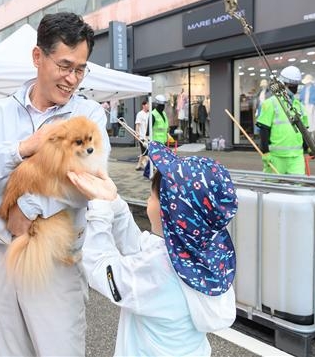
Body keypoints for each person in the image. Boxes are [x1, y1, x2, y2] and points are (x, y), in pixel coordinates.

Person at [0, 12, 111, 356]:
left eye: (80, 69)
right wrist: (21, 149)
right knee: (10, 349)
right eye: (65, 65)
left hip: (54, 262)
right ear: (38, 57)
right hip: (4, 258)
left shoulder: (89, 116)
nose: (72, 78)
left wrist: (27, 209)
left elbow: (88, 179)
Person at [68, 141, 237, 356]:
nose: (149, 197)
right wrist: (114, 202)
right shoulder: (201, 255)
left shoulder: (159, 271)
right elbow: (139, 247)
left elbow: (100, 268)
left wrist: (99, 207)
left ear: (170, 211)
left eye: (154, 195)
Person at [256, 65, 309, 175]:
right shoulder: (270, 103)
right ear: (283, 84)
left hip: (296, 157)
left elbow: (304, 131)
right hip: (276, 157)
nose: (295, 88)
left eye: (296, 85)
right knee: (273, 190)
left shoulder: (299, 106)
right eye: (293, 85)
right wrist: (265, 152)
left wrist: (307, 147)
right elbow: (264, 130)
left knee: (297, 188)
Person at [134, 99, 149, 170]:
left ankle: (139, 165)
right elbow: (137, 124)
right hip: (142, 136)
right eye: (147, 104)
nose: (148, 106)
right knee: (145, 151)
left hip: (148, 136)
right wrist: (137, 134)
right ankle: (146, 164)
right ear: (143, 105)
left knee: (144, 152)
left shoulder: (150, 113)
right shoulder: (140, 114)